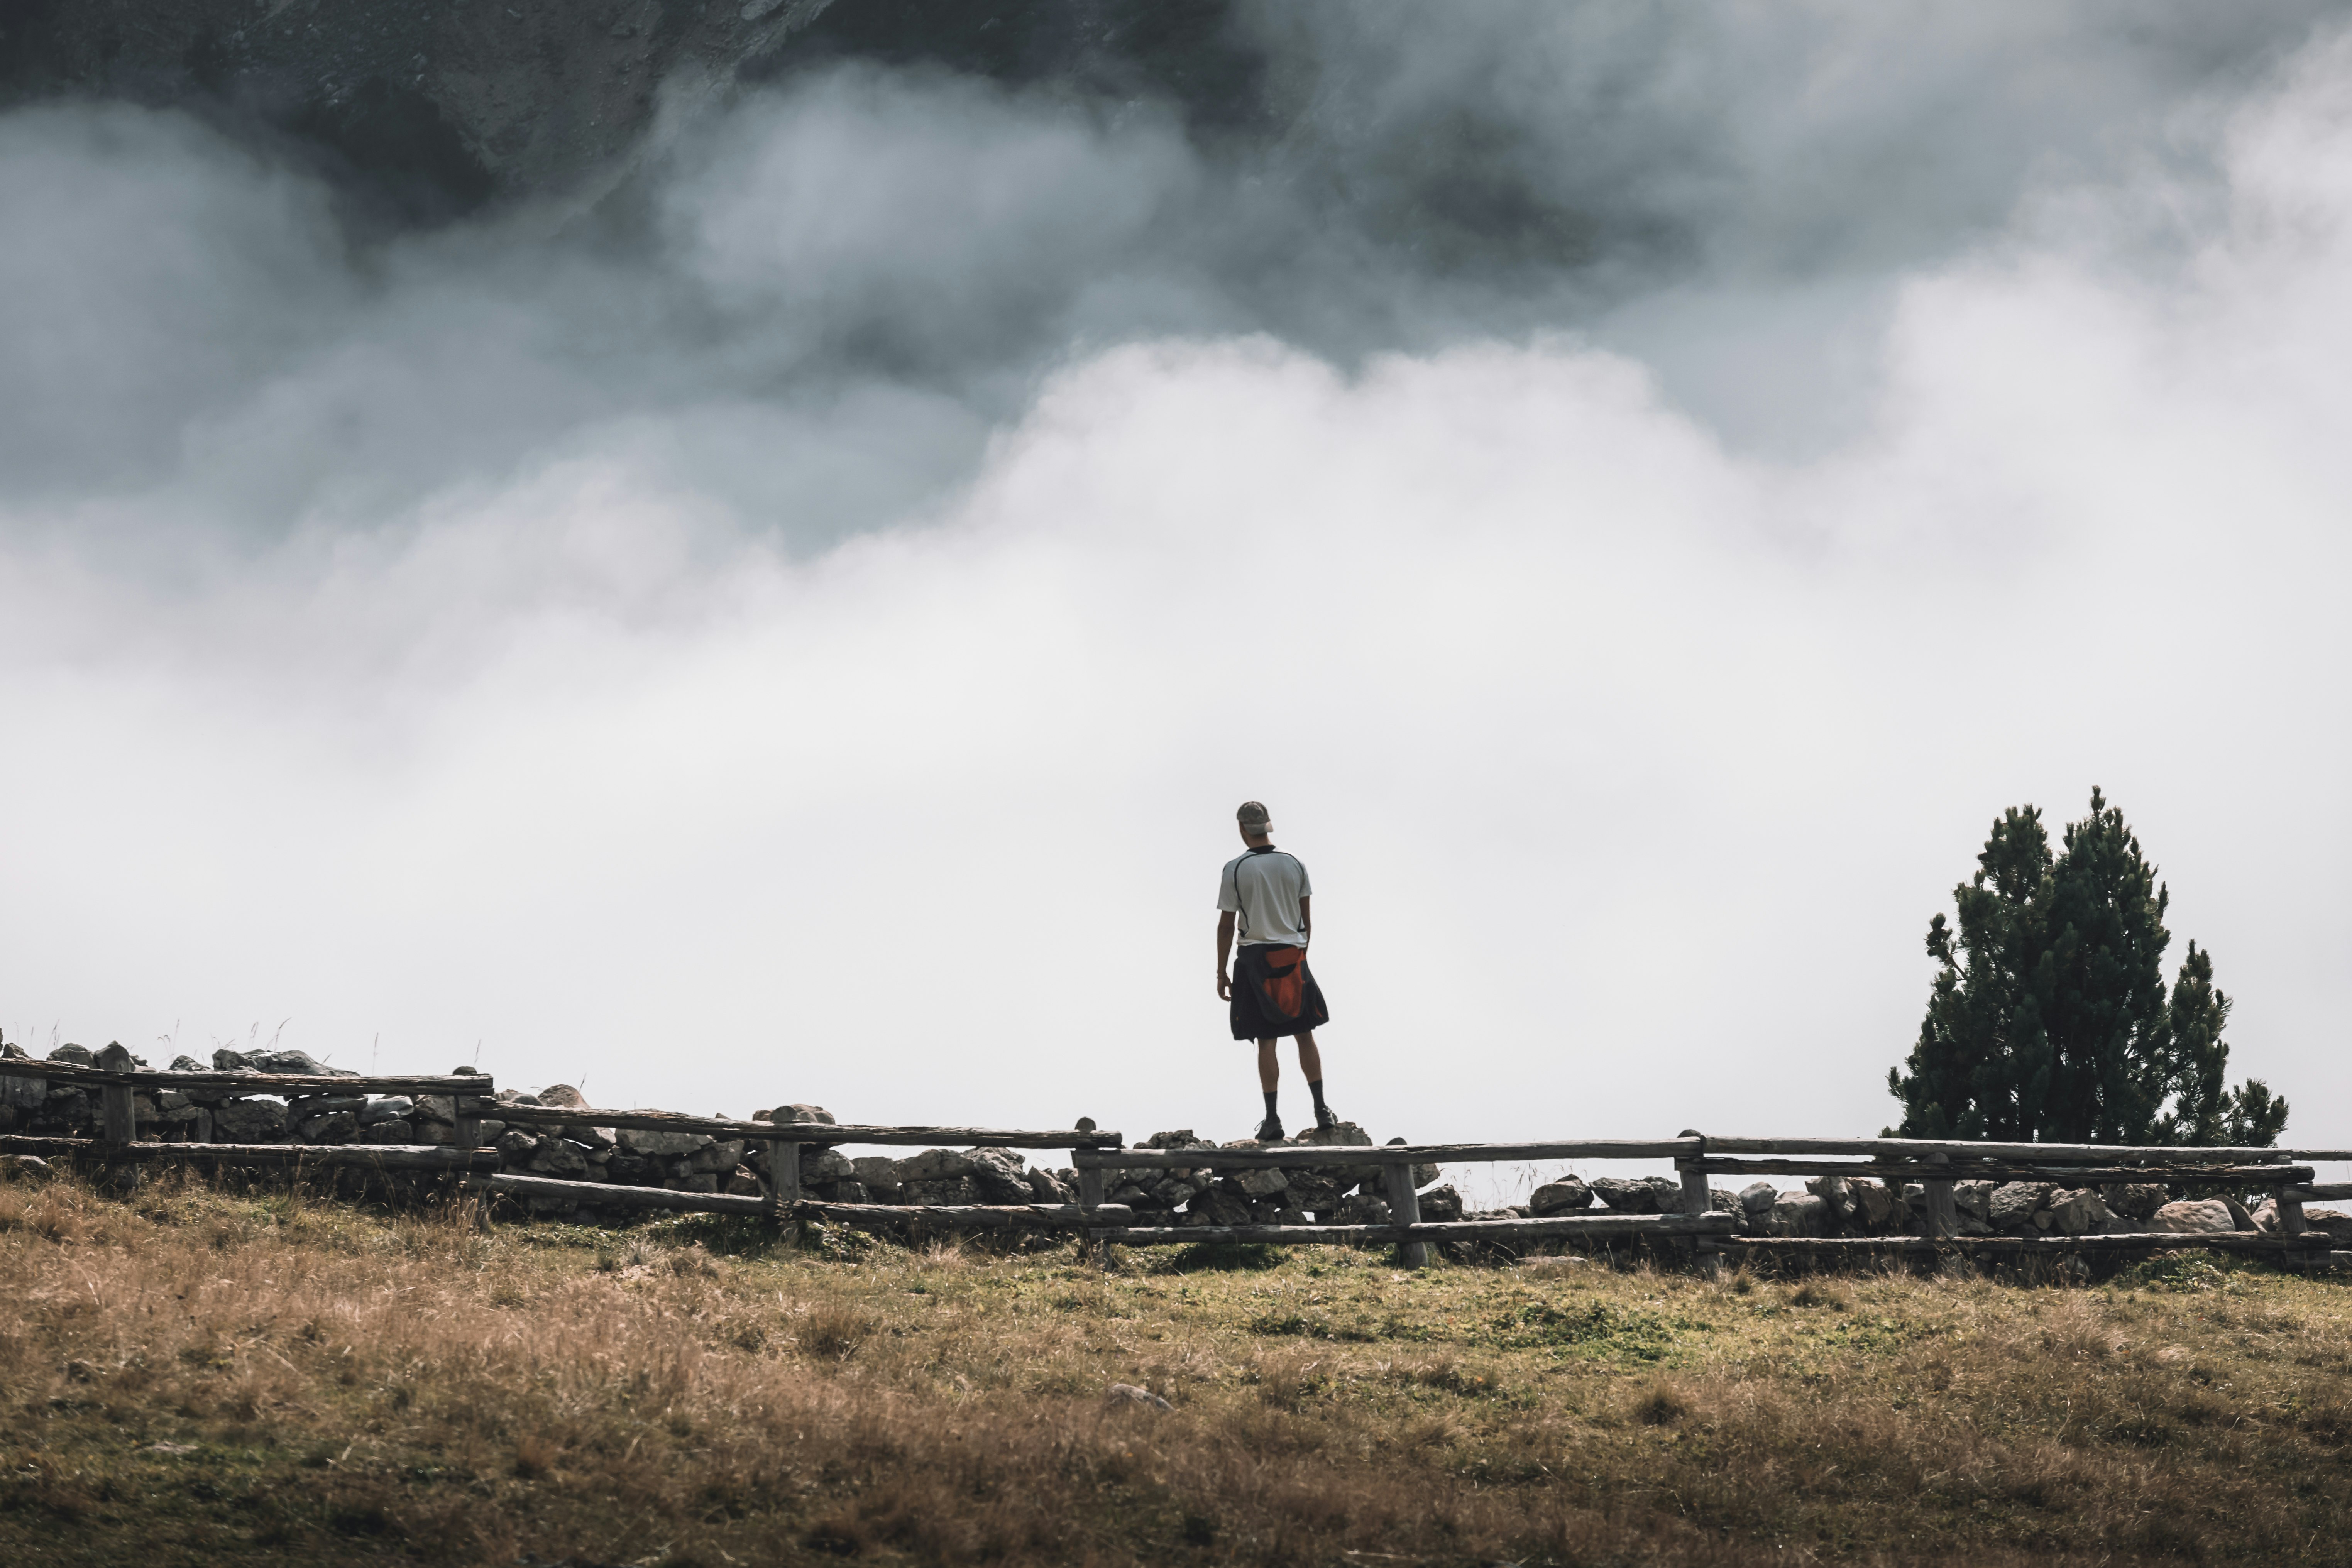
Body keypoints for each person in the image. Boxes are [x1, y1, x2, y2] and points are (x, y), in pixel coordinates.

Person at [1215, 800, 1336, 1141]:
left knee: (1266, 1041)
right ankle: (1322, 1108)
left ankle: (1272, 1119)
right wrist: (1300, 954)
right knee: (1305, 1033)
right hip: (1293, 954)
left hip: (1254, 959)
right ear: (1268, 825)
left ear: (1242, 829)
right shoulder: (1294, 863)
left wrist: (1221, 972)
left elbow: (1226, 926)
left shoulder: (1235, 869)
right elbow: (1306, 919)